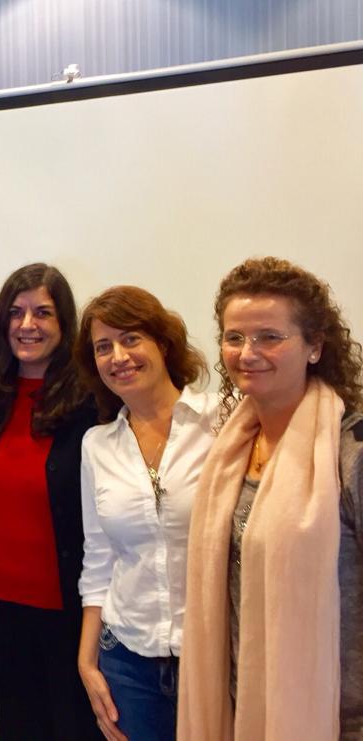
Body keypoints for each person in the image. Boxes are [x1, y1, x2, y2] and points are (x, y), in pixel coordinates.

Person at [178, 257, 363, 740]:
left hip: (336, 719)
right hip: (241, 706)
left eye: (269, 337)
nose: (247, 353)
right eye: (235, 337)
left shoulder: (351, 453)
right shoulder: (230, 449)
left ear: (315, 346)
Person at [74, 286, 218, 741]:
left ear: (164, 343)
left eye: (131, 338)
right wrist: (87, 660)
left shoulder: (223, 421)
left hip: (212, 655)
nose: (118, 356)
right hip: (126, 658)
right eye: (103, 347)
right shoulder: (97, 444)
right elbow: (99, 558)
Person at [0, 263, 101, 740]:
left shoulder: (93, 404)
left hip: (69, 606)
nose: (27, 325)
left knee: (74, 726)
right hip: (3, 603)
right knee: (20, 727)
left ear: (64, 323)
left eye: (43, 313)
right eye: (16, 312)